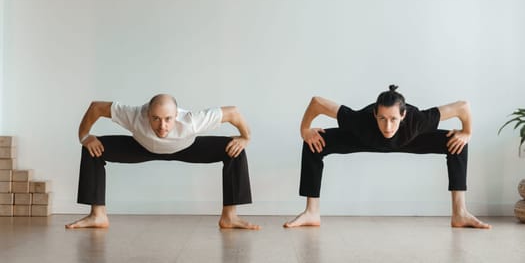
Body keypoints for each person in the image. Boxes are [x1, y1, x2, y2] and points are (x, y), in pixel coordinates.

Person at [284, 85, 491, 229]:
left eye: (393, 119)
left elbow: (462, 106)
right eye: (382, 118)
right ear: (375, 114)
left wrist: (467, 132)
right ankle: (312, 212)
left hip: (410, 139)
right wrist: (305, 130)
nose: (388, 126)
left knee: (456, 144)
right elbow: (317, 102)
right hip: (364, 138)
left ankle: (460, 213)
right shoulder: (359, 121)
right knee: (314, 142)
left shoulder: (418, 120)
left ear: (403, 115)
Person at [66, 94, 259, 230]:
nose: (162, 126)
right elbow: (96, 107)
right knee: (92, 149)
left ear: (177, 116)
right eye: (156, 119)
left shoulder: (192, 121)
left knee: (234, 150)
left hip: (186, 148)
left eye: (168, 119)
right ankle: (97, 215)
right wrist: (85, 137)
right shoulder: (133, 115)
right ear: (147, 114)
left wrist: (245, 137)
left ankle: (230, 216)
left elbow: (232, 113)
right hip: (141, 147)